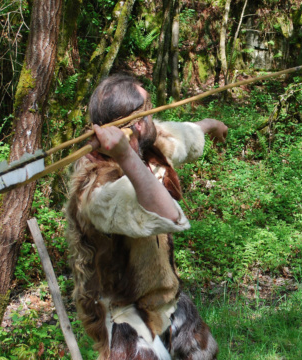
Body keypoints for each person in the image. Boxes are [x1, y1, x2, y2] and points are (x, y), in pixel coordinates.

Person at [65, 74, 227, 360]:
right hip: (126, 318)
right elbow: (167, 214)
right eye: (148, 109)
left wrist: (212, 125)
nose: (154, 116)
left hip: (168, 300)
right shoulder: (95, 187)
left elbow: (180, 135)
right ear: (137, 124)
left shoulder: (146, 146)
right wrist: (126, 157)